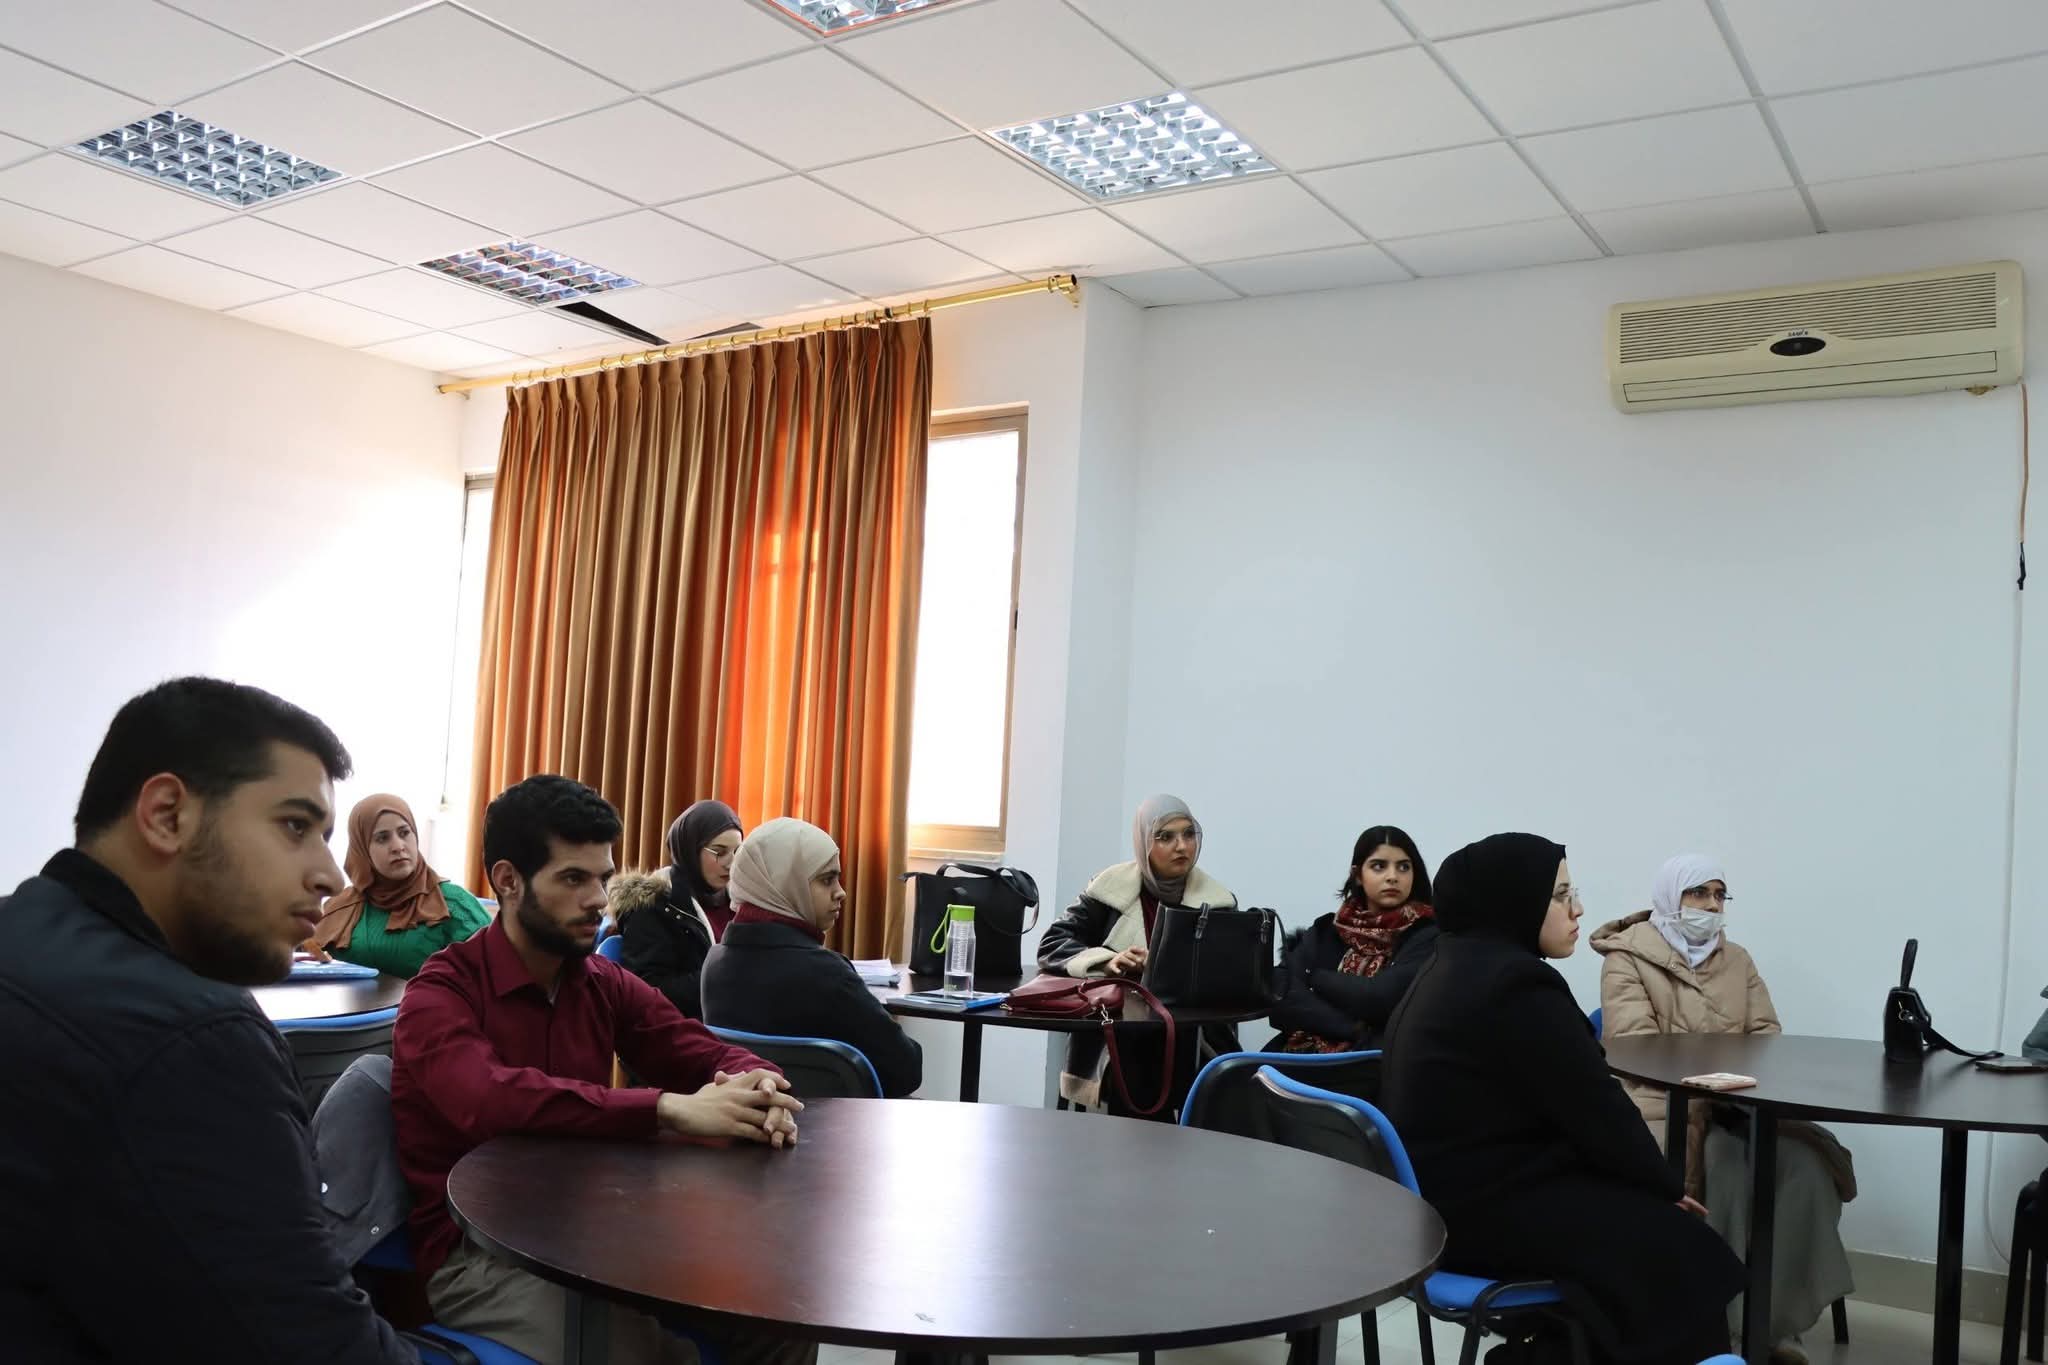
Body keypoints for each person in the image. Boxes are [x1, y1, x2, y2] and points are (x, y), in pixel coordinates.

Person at [0, 676, 416, 1362]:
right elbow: (317, 1348)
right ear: (167, 815)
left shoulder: (22, 931)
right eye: (295, 826)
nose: (330, 877)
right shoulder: (189, 1040)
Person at [391, 775, 811, 1365]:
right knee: (647, 1353)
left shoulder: (599, 981)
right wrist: (665, 1108)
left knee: (780, 1307)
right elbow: (489, 1099)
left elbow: (695, 1047)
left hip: (595, 1228)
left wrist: (758, 1081)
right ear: (508, 881)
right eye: (573, 879)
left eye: (603, 878)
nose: (598, 899)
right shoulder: (440, 994)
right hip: (482, 1253)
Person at [1381, 833, 1742, 1365]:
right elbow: (1596, 1108)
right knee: (1683, 1245)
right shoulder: (1516, 984)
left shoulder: (1449, 966)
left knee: (1647, 1240)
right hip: (1484, 1212)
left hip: (1441, 1204)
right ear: (1513, 901)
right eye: (1559, 895)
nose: (1577, 910)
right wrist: (1665, 1187)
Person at [1594, 855, 1855, 1363]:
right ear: (1670, 896)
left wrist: (1732, 1072)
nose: (1712, 906)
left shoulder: (1738, 959)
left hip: (1740, 1104)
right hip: (1663, 1105)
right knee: (1727, 1168)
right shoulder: (1626, 956)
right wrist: (1719, 1062)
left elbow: (1767, 1037)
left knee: (1807, 1167)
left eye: (1719, 895)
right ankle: (1725, 1330)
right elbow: (1636, 1046)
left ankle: (1776, 1323)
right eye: (1699, 893)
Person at [1038, 794, 1237, 1116]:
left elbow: (1228, 976)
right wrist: (1107, 961)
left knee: (1164, 1053)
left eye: (1188, 834)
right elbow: (1053, 943)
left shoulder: (1217, 902)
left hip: (1190, 1034)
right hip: (1117, 1032)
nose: (1182, 846)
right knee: (1133, 1053)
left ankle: (1157, 1140)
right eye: (1165, 837)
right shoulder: (1108, 889)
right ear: (1143, 842)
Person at [701, 818, 923, 1097]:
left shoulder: (713, 963)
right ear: (784, 884)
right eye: (827, 880)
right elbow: (907, 1070)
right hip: (832, 1123)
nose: (841, 892)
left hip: (746, 1120)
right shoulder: (827, 974)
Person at [1269, 824, 1438, 1052]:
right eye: (1379, 866)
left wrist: (1314, 978)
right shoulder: (1326, 930)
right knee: (1234, 1069)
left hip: (1379, 1060)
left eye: (1403, 867)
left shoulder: (1427, 935)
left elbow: (1379, 999)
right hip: (1303, 1053)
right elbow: (1279, 994)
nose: (1392, 877)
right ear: (1358, 876)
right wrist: (1354, 1029)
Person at [307, 792, 491, 978]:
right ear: (361, 849)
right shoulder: (339, 907)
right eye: (382, 838)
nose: (398, 846)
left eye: (404, 833)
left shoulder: (453, 904)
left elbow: (494, 970)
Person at [615, 799, 743, 1017]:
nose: (730, 864)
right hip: (681, 1026)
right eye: (719, 852)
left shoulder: (740, 901)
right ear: (690, 850)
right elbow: (648, 989)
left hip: (729, 1021)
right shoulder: (654, 905)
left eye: (737, 852)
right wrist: (723, 978)